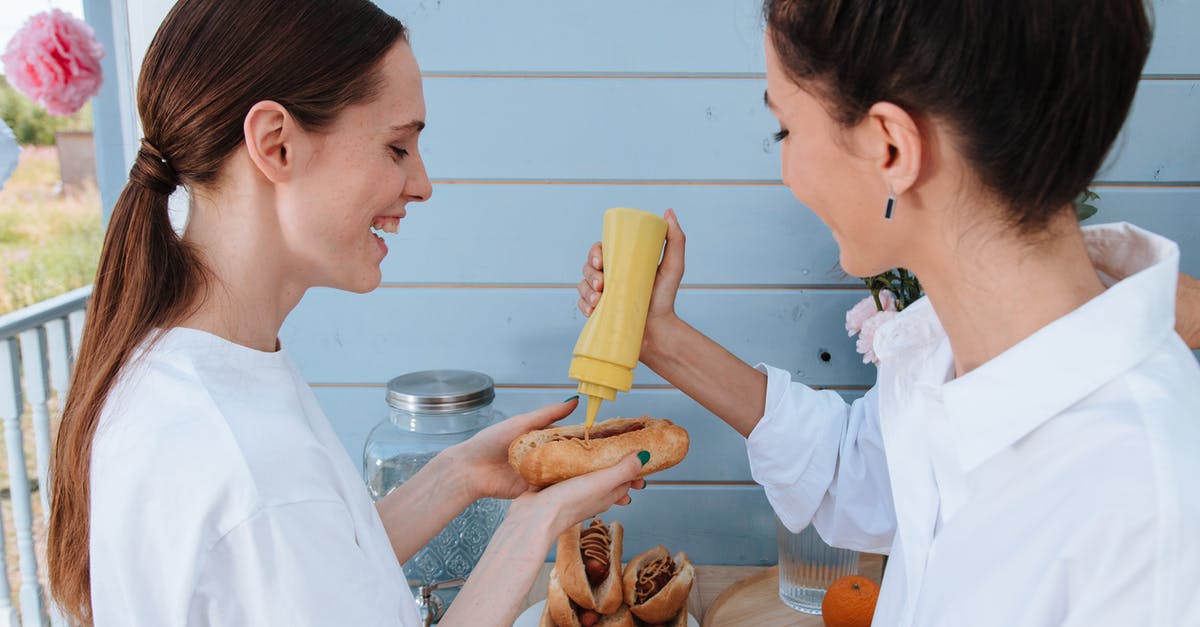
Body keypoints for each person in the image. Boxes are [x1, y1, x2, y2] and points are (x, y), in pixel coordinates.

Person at [579, 1, 1200, 624]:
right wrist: (659, 337)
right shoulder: (951, 349)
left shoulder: (1144, 504)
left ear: (892, 148)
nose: (786, 171)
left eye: (785, 131)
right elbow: (866, 473)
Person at [47, 1, 646, 625]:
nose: (422, 184)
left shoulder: (183, 365)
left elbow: (312, 575)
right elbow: (283, 527)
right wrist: (534, 525)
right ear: (276, 145)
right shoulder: (247, 458)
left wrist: (459, 474)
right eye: (396, 148)